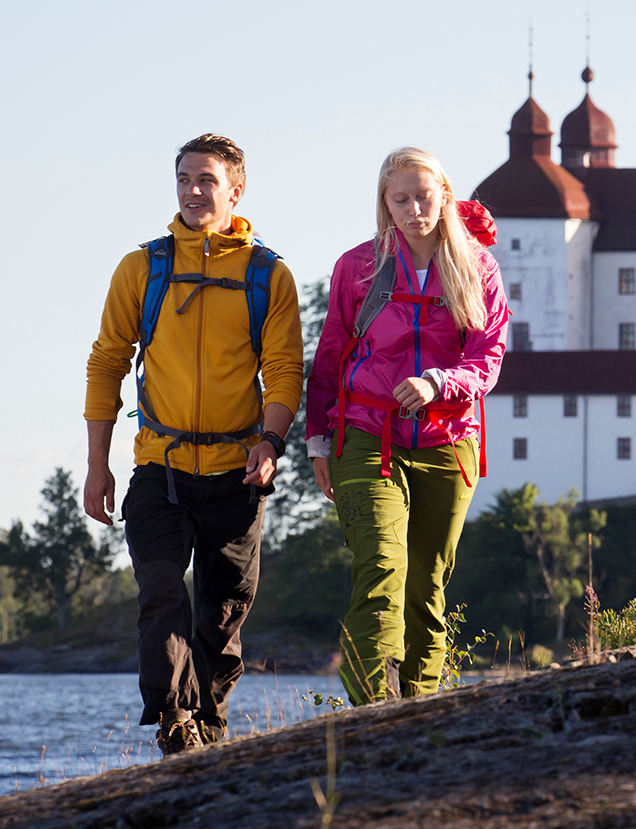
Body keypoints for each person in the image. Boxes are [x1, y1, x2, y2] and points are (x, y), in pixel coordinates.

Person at [83, 134, 303, 754]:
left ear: (235, 189)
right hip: (160, 466)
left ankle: (209, 721)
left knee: (223, 610)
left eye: (206, 180)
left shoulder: (268, 275)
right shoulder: (143, 268)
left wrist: (272, 441)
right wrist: (98, 465)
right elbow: (106, 363)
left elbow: (286, 370)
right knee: (159, 593)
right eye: (183, 179)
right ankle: (175, 719)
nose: (192, 191)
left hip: (240, 469)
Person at [306, 147, 507, 704]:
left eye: (424, 195)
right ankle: (371, 710)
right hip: (366, 431)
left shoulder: (477, 267)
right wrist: (318, 441)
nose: (415, 208)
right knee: (382, 564)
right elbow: (329, 355)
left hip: (449, 440)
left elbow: (488, 357)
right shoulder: (358, 267)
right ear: (385, 204)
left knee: (427, 585)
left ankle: (420, 710)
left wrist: (440, 382)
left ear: (444, 195)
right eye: (401, 198)